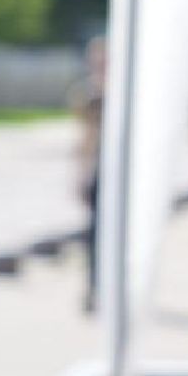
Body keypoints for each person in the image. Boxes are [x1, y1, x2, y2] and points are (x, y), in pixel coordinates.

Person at [69, 35, 107, 313]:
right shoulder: (89, 93)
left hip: (123, 175)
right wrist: (80, 172)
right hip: (99, 167)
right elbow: (85, 136)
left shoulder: (130, 92)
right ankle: (94, 287)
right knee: (94, 233)